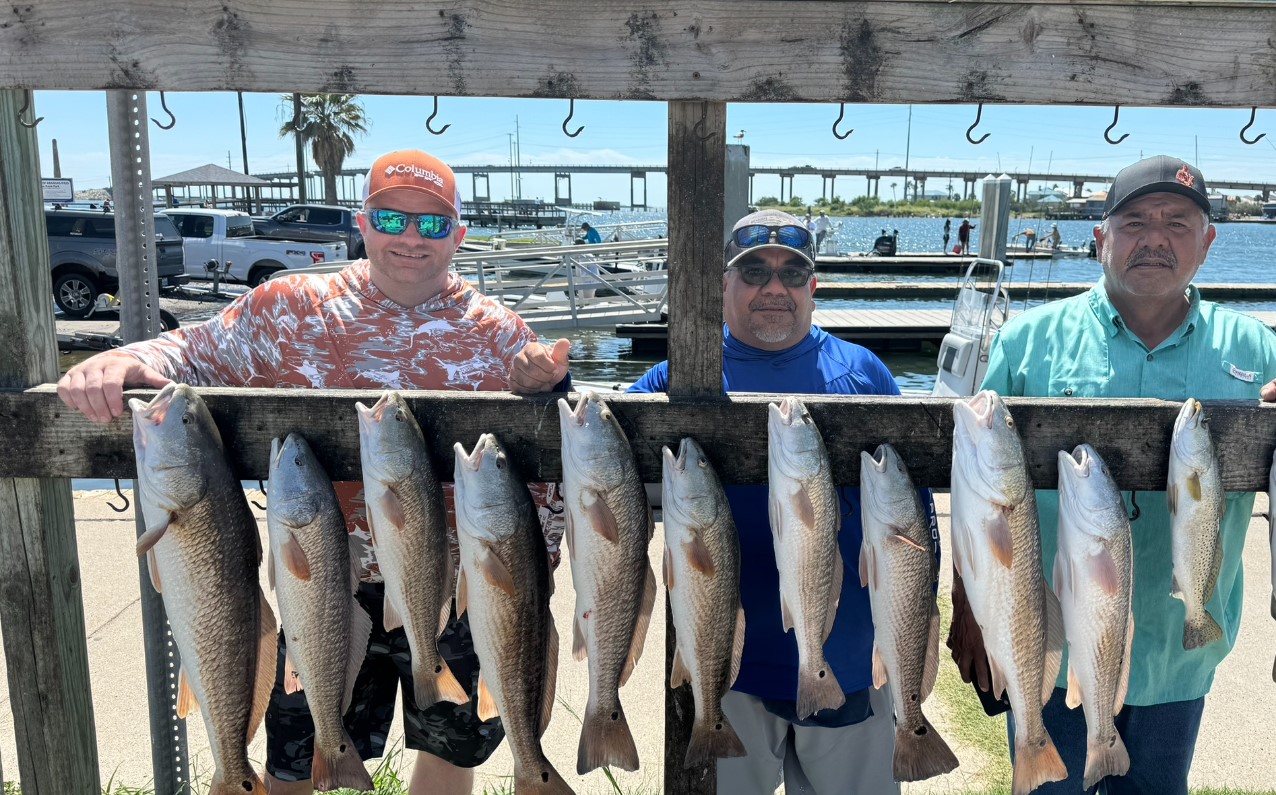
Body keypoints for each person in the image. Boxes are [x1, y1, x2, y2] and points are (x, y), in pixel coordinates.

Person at [57, 149, 574, 795]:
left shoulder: (500, 332)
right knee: (297, 762)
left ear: (459, 235)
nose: (411, 237)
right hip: (323, 580)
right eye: (392, 218)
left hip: (453, 585)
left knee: (449, 756)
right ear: (363, 222)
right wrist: (124, 360)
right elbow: (191, 351)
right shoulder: (289, 306)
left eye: (433, 223)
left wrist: (551, 391)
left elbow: (543, 465)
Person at [947, 155, 1276, 795]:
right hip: (1049, 644)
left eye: (1177, 224)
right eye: (1134, 222)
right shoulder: (1026, 342)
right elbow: (975, 494)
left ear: (1207, 244)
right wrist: (967, 604)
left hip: (1177, 650)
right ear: (1100, 238)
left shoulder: (1257, 351)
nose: (1154, 238)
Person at [627, 209, 935, 794]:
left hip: (847, 659)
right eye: (754, 272)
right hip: (727, 662)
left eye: (792, 273)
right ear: (723, 283)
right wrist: (552, 388)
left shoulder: (864, 373)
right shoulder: (678, 376)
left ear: (812, 287)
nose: (774, 287)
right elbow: (606, 451)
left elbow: (915, 515)